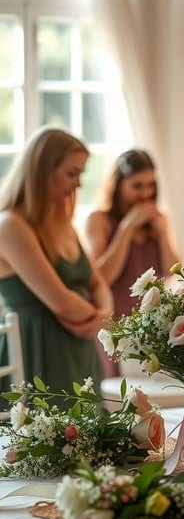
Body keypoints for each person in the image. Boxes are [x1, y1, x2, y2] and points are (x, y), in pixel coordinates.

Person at [0, 126, 113, 405]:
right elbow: (62, 302)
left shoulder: (62, 223)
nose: (78, 184)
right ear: (41, 171)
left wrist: (102, 316)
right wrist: (100, 319)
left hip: (78, 347)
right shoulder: (10, 225)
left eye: (81, 174)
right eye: (71, 173)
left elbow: (97, 282)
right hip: (37, 350)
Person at [84, 149, 179, 376]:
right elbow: (100, 277)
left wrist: (162, 234)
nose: (145, 193)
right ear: (118, 185)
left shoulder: (159, 219)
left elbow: (171, 271)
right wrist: (126, 228)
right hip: (114, 326)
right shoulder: (98, 220)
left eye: (150, 185)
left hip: (150, 327)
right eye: (137, 186)